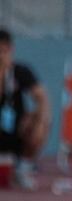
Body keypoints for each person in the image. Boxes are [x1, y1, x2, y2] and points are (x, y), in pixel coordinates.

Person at [0, 28, 51, 191]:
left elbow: (42, 97)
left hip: (15, 130)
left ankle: (22, 169)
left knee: (39, 121)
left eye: (4, 51)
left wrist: (42, 119)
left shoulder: (21, 71)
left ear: (11, 50)